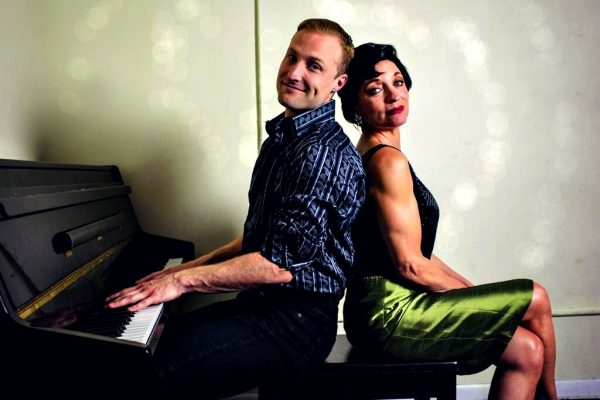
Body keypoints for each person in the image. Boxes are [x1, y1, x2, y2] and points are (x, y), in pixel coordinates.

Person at [105, 19, 365, 399]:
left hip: (298, 322)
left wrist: (178, 282)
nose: (294, 72)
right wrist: (179, 271)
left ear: (337, 84)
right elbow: (261, 240)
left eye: (314, 65)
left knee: (155, 375)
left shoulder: (319, 151)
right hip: (263, 305)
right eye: (292, 56)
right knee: (145, 348)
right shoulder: (284, 139)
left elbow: (277, 267)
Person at [336, 42, 557, 400]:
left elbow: (417, 252)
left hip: (375, 311)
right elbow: (409, 266)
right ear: (354, 105)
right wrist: (476, 299)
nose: (393, 94)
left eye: (398, 82)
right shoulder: (387, 162)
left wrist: (475, 296)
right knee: (536, 296)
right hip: (390, 314)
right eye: (375, 89)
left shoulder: (372, 153)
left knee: (527, 350)